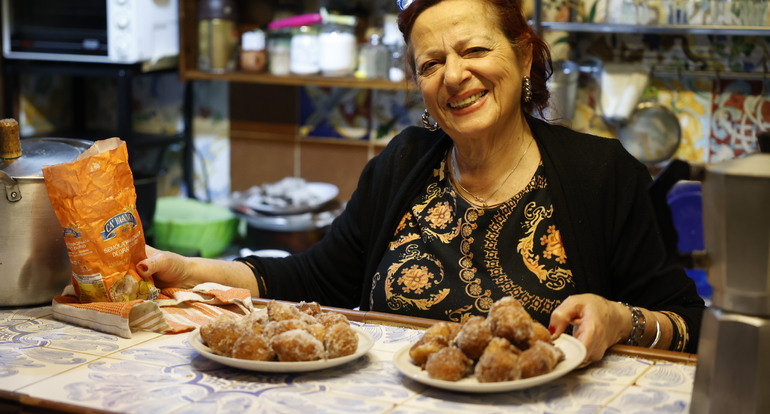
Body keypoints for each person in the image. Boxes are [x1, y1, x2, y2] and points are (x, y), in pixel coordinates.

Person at [137, 0, 705, 362]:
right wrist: (190, 270)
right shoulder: (404, 161)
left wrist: (621, 319)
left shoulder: (600, 173)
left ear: (525, 57)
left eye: (475, 49)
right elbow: (313, 277)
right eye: (430, 64)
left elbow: (688, 322)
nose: (454, 75)